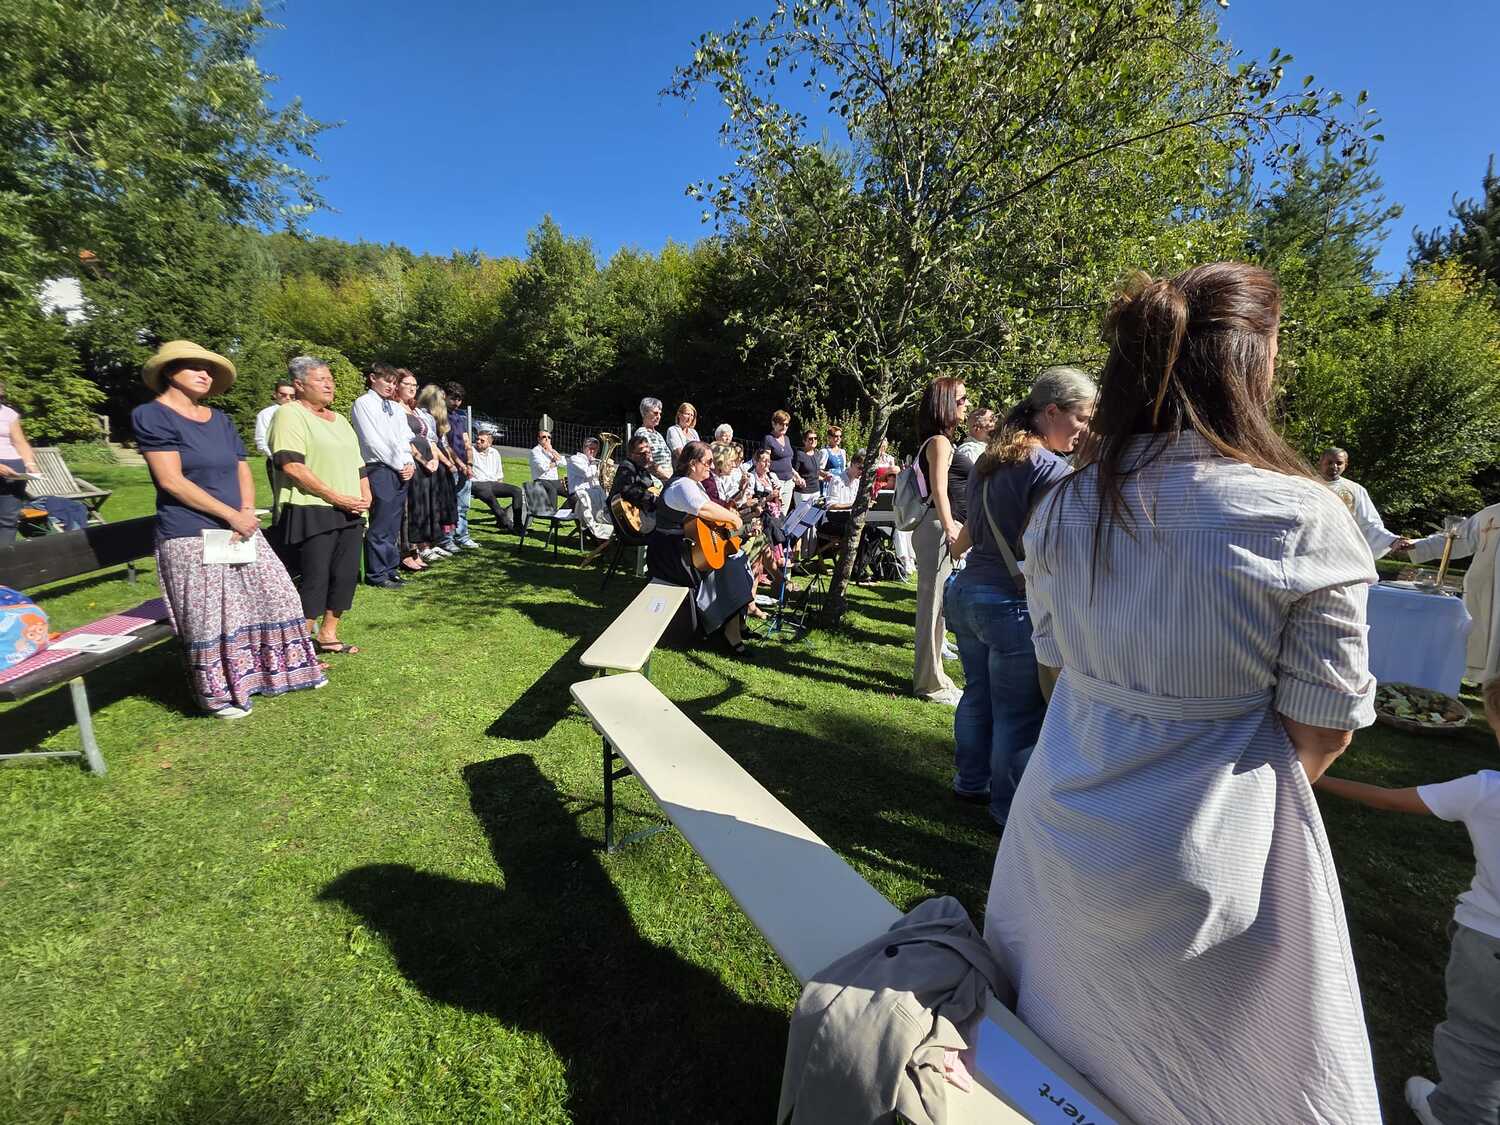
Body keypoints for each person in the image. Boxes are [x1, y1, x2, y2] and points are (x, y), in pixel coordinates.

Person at [985, 263, 1382, 1124]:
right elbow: (1323, 731)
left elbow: (1057, 674)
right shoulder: (1302, 517)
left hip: (1059, 819)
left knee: (1052, 1062)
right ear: (1254, 362)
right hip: (1211, 848)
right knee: (1199, 1083)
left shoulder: (1066, 506)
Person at [1318, 675, 1500, 1125]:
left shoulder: (1485, 790)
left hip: (1489, 943)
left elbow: (1390, 800)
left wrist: (1317, 779)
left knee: (1476, 1039)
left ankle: (1456, 1114)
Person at [131, 340, 325, 717]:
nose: (205, 374)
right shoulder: (152, 415)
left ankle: (279, 672)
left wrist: (246, 510)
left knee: (278, 594)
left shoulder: (220, 420)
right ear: (169, 371)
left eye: (209, 369)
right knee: (212, 616)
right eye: (194, 367)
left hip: (239, 526)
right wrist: (230, 515)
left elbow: (241, 469)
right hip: (190, 532)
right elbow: (171, 480)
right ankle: (220, 694)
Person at [946, 367, 1095, 829]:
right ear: (1051, 412)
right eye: (1082, 418)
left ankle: (970, 781)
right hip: (1010, 603)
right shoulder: (1051, 470)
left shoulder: (990, 460)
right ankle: (1008, 809)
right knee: (1018, 714)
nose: (1085, 430)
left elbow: (972, 532)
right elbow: (1053, 547)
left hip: (968, 593)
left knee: (977, 695)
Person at [268, 356, 369, 655]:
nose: (329, 385)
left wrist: (366, 496)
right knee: (315, 578)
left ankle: (328, 634)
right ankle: (296, 649)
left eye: (331, 380)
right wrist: (335, 496)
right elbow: (291, 465)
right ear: (299, 384)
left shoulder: (340, 421)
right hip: (311, 509)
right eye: (321, 379)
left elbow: (359, 465)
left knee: (345, 576)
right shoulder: (289, 414)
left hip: (350, 509)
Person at [647, 440, 752, 651]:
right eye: (708, 462)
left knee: (737, 559)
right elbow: (704, 509)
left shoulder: (693, 484)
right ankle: (729, 632)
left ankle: (733, 625)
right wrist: (735, 519)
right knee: (732, 565)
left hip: (684, 548)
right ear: (693, 463)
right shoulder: (681, 485)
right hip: (672, 554)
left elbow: (705, 518)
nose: (711, 466)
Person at [910, 376, 971, 704]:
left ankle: (937, 676)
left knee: (939, 610)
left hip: (939, 528)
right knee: (931, 610)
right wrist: (950, 528)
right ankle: (928, 684)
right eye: (961, 399)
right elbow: (939, 490)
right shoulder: (939, 443)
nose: (966, 405)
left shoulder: (940, 441)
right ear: (945, 403)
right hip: (938, 529)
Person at [1407, 501, 1500, 683]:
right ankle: (1489, 685)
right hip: (1483, 590)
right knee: (1484, 639)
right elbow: (1456, 539)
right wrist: (1417, 545)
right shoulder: (1492, 513)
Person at [350, 361, 415, 589]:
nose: (391, 386)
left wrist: (409, 462)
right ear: (373, 378)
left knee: (393, 523)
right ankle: (377, 573)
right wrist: (399, 464)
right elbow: (372, 442)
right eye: (387, 380)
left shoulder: (395, 407)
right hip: (379, 467)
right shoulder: (363, 403)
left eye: (394, 382)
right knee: (381, 522)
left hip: (400, 469)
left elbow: (404, 438)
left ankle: (390, 568)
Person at [1319, 446, 1412, 559]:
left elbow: (1369, 524)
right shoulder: (1307, 484)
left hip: (1340, 549)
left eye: (1339, 463)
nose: (1334, 466)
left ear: (1345, 465)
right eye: (1329, 462)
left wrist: (1392, 540)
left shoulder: (1355, 490)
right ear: (1321, 462)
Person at [416, 384, 462, 552]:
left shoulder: (437, 419)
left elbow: (444, 444)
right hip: (433, 464)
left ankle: (438, 540)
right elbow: (432, 444)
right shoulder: (423, 416)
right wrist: (447, 463)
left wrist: (456, 463)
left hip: (441, 464)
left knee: (443, 503)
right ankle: (432, 542)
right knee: (434, 504)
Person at [0, 380, 40, 546]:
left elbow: (20, 442)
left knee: (8, 519)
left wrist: (30, 464)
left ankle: (5, 558)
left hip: (14, 468)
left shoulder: (9, 413)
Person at [470, 427, 526, 531]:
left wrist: (500, 488)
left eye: (482, 440)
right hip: (477, 483)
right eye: (477, 439)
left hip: (492, 483)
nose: (478, 442)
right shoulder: (471, 451)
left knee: (517, 491)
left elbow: (499, 475)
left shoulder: (494, 453)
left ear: (489, 443)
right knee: (489, 495)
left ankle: (518, 524)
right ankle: (507, 523)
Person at [444, 382, 479, 550]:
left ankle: (462, 535)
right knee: (449, 504)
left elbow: (466, 442)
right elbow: (445, 444)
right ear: (445, 396)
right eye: (453, 398)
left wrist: (469, 463)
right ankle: (447, 538)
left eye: (459, 399)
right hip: (450, 466)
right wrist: (459, 464)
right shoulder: (441, 416)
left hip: (465, 466)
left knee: (463, 505)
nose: (456, 403)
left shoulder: (459, 417)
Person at [254, 378, 296, 494]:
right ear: (275, 394)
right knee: (281, 498)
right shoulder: (266, 414)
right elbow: (261, 440)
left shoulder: (301, 412)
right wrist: (278, 460)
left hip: (301, 461)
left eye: (292, 396)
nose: (288, 398)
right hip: (277, 462)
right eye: (283, 395)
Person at [528, 428, 567, 508]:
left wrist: (552, 451)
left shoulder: (552, 451)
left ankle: (564, 511)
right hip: (541, 480)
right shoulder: (535, 451)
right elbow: (543, 468)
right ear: (538, 439)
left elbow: (563, 463)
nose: (547, 439)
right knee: (552, 489)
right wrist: (556, 463)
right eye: (544, 437)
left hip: (554, 481)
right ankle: (553, 514)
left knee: (572, 490)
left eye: (549, 437)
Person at [706, 442, 750, 509]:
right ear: (721, 461)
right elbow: (718, 508)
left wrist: (741, 489)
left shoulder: (717, 479)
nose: (733, 465)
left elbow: (726, 503)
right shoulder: (709, 482)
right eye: (731, 461)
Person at [762, 410, 797, 483]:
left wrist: (797, 476)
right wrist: (772, 480)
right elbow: (765, 462)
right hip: (776, 481)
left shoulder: (787, 439)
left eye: (786, 424)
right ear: (773, 424)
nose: (784, 427)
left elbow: (787, 462)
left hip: (789, 482)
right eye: (781, 424)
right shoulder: (769, 439)